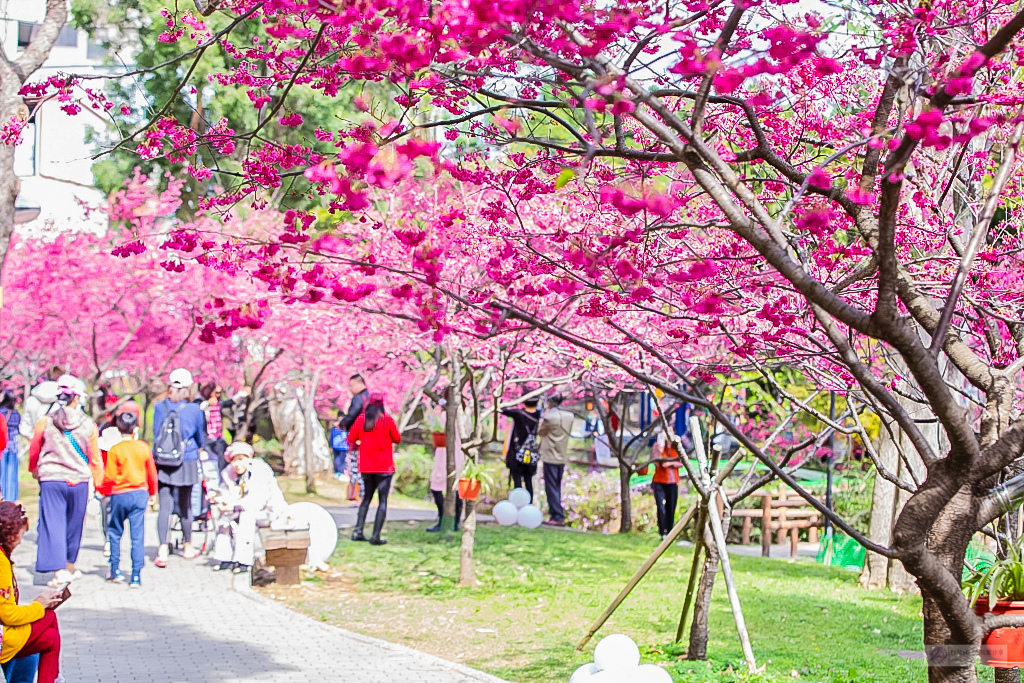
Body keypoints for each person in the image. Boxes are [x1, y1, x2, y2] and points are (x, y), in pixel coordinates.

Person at [28, 375, 103, 586]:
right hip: (78, 479)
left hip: (52, 477)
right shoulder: (88, 424)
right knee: (74, 523)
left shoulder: (46, 420)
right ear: (77, 397)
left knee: (53, 523)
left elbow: (35, 448)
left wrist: (34, 469)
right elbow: (94, 456)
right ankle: (69, 564)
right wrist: (98, 482)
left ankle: (59, 570)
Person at [0, 502, 63, 683]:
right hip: (3, 638)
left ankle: (54, 677)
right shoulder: (1, 562)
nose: (20, 540)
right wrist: (39, 605)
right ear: (10, 532)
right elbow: (9, 615)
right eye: (20, 533)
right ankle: (55, 677)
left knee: (51, 638)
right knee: (49, 616)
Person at [152, 368, 207, 568]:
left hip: (163, 460)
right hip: (187, 459)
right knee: (186, 505)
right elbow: (201, 436)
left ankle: (162, 550)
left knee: (164, 506)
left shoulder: (159, 407)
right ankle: (187, 546)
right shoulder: (195, 410)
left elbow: (156, 433)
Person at [98, 412, 158, 588]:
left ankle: (115, 569)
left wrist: (103, 491)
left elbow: (109, 476)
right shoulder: (143, 448)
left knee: (115, 531)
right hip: (139, 493)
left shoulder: (115, 449)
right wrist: (153, 492)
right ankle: (136, 575)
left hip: (119, 494)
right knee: (137, 535)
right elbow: (151, 473)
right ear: (135, 429)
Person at [210, 442, 287, 574]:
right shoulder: (229, 474)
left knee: (247, 516)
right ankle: (224, 557)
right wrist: (220, 501)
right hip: (240, 508)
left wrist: (234, 506)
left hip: (267, 510)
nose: (237, 464)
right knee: (224, 519)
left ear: (249, 459)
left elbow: (258, 500)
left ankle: (244, 560)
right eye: (234, 461)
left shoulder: (259, 472)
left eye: (241, 460)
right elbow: (226, 493)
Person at [347, 394, 400, 545]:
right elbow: (397, 438)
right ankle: (375, 535)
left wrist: (360, 444)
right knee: (382, 501)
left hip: (366, 467)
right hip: (384, 468)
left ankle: (358, 531)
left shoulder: (361, 420)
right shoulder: (387, 420)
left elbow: (351, 437)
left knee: (366, 499)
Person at [538, 395, 574, 527]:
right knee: (557, 486)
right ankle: (557, 514)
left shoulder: (549, 418)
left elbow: (540, 432)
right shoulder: (569, 416)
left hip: (550, 456)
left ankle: (557, 516)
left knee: (551, 487)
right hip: (562, 455)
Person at [643, 433, 683, 539]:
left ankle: (670, 532)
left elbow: (681, 462)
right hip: (660, 480)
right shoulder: (658, 446)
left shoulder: (676, 447)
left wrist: (670, 464)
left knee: (671, 506)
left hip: (673, 481)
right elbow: (657, 461)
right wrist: (660, 450)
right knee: (661, 507)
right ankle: (662, 532)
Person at [501, 398, 541, 501]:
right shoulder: (538, 415)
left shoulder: (518, 414)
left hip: (516, 454)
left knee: (517, 482)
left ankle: (518, 505)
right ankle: (529, 505)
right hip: (530, 455)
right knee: (528, 482)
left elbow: (502, 409)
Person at [339, 374, 369, 501]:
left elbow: (353, 414)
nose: (350, 388)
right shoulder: (370, 397)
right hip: (368, 438)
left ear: (359, 383)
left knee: (355, 466)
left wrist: (342, 423)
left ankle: (357, 494)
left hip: (357, 438)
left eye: (351, 385)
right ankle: (359, 494)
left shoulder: (359, 398)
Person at [427, 431, 463, 533]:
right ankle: (443, 520)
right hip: (442, 453)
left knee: (456, 488)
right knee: (436, 487)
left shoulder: (463, 417)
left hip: (457, 453)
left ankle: (455, 522)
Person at [0, 393, 20, 501]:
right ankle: (11, 497)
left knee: (2, 473)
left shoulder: (1, 413)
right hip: (14, 445)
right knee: (12, 473)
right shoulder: (16, 413)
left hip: (3, 446)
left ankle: (2, 494)